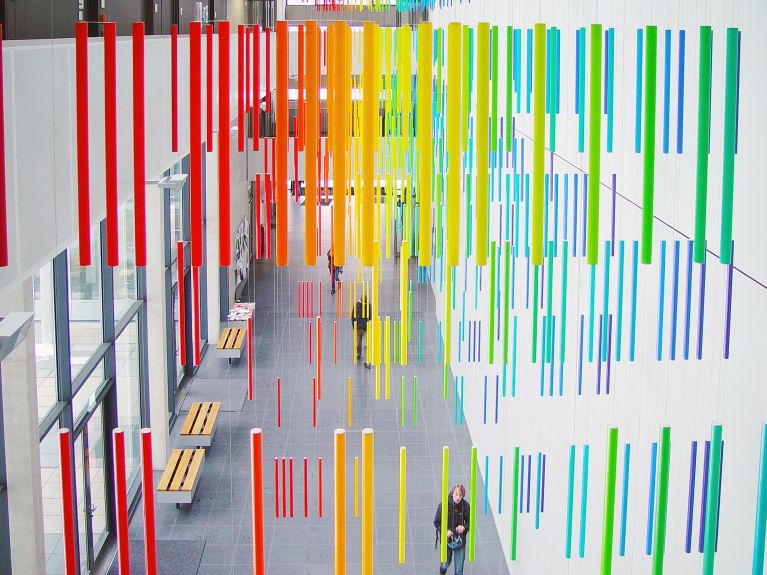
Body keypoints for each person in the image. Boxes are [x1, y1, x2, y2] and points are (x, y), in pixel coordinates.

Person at [433, 484, 470, 575]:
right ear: (452, 493)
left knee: (459, 570)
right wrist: (445, 530)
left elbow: (470, 522)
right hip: (447, 541)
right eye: (456, 494)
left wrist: (464, 527)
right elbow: (437, 522)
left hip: (460, 541)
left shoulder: (465, 506)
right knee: (445, 564)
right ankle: (442, 571)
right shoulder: (443, 505)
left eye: (460, 495)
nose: (458, 497)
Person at [352, 296, 371, 368]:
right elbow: (353, 317)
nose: (365, 304)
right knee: (358, 343)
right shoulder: (356, 306)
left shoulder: (369, 306)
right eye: (364, 303)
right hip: (358, 328)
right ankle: (358, 353)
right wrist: (354, 327)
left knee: (366, 345)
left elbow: (370, 316)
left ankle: (366, 362)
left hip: (366, 328)